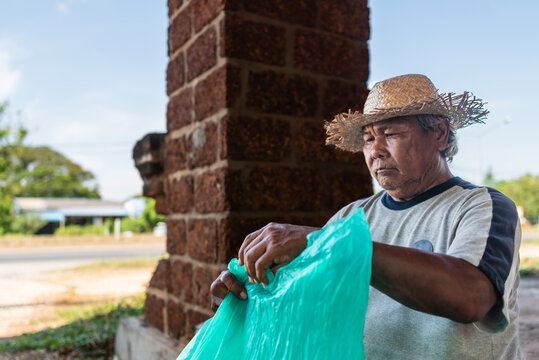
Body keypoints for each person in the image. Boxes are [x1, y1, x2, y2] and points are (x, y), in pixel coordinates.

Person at [210, 74, 522, 359]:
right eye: (369, 139)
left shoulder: (481, 206)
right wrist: (251, 292)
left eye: (391, 134)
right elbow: (311, 300)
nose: (376, 151)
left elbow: (471, 297)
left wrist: (329, 243)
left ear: (439, 134)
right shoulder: (353, 215)